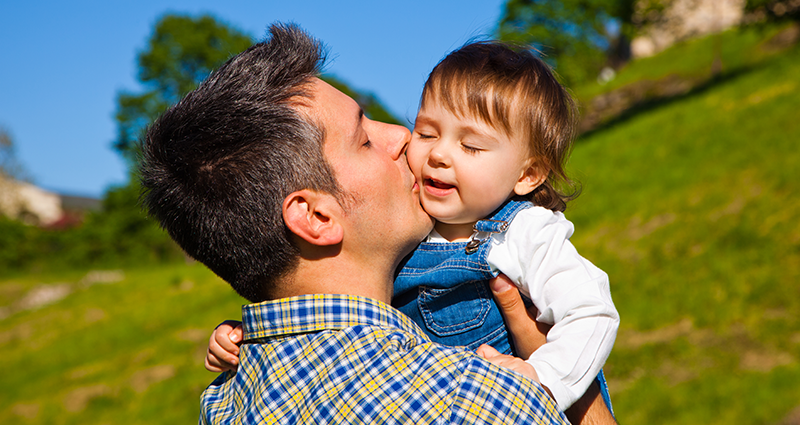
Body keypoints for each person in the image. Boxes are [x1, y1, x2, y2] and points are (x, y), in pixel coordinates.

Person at [141, 23, 569, 424]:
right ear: (316, 217)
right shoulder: (472, 401)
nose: (401, 136)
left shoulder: (222, 402)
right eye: (363, 140)